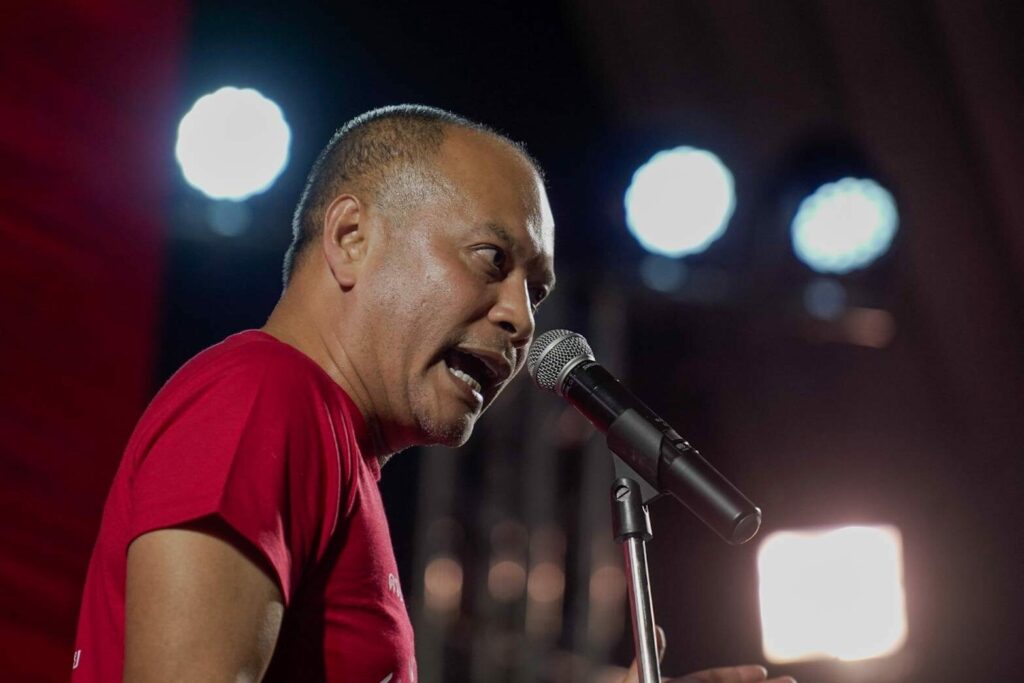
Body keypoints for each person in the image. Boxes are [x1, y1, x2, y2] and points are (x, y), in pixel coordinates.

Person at [73, 105, 792, 683]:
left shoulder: (331, 442)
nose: (523, 320)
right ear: (351, 237)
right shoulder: (265, 391)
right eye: (492, 259)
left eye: (536, 292)